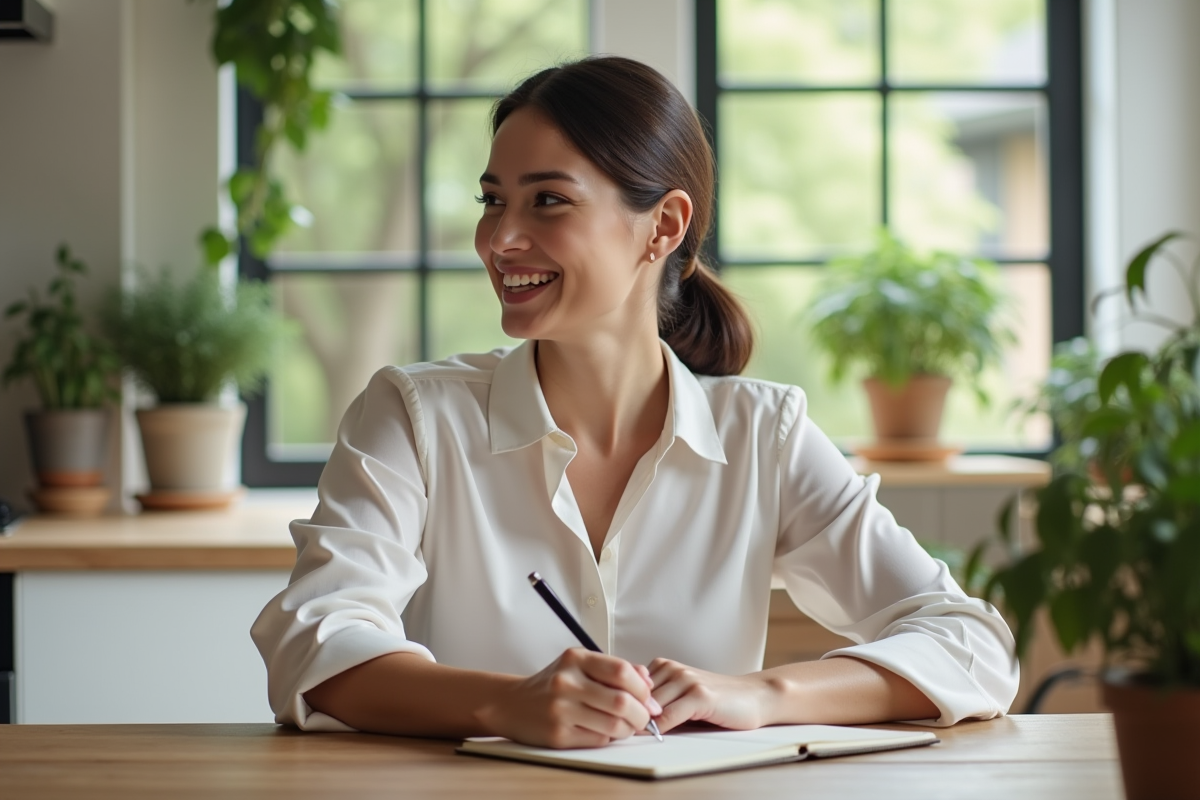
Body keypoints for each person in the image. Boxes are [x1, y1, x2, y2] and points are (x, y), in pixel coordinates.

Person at [251, 56, 1018, 749]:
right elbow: (315, 644)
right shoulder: (415, 417)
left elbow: (969, 643)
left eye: (547, 200)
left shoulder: (763, 435)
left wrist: (764, 694)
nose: (500, 238)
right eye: (493, 201)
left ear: (664, 226)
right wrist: (504, 705)